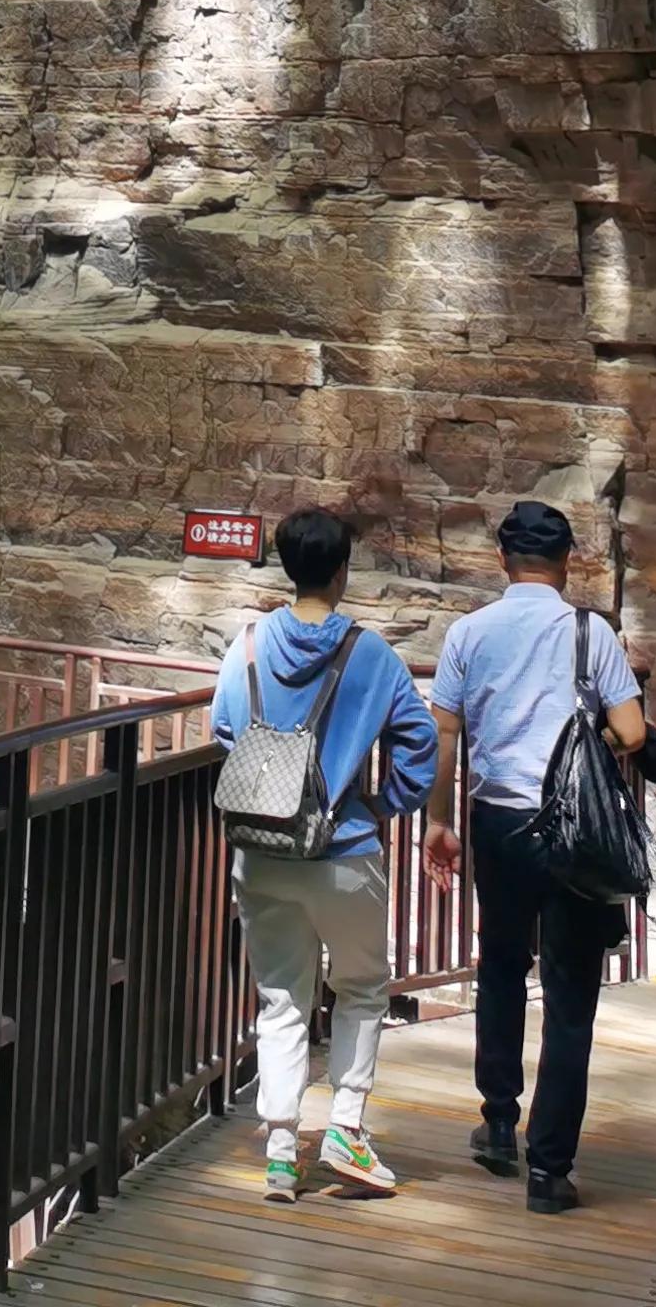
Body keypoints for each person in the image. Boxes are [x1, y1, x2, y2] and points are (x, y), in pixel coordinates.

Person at [424, 499, 647, 1215]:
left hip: (500, 822)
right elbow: (633, 731)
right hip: (574, 828)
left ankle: (497, 1123)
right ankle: (551, 1171)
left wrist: (438, 820)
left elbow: (446, 735)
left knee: (500, 968)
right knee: (572, 994)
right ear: (568, 562)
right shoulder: (594, 633)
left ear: (501, 559)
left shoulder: (469, 633)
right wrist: (588, 753)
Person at [210, 505, 437, 1205]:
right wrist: (378, 805)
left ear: (287, 565)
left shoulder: (246, 646)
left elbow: (224, 734)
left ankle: (281, 1154)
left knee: (281, 998)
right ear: (341, 571)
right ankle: (345, 1128)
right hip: (344, 851)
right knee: (363, 988)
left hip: (263, 852)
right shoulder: (370, 656)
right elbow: (420, 747)